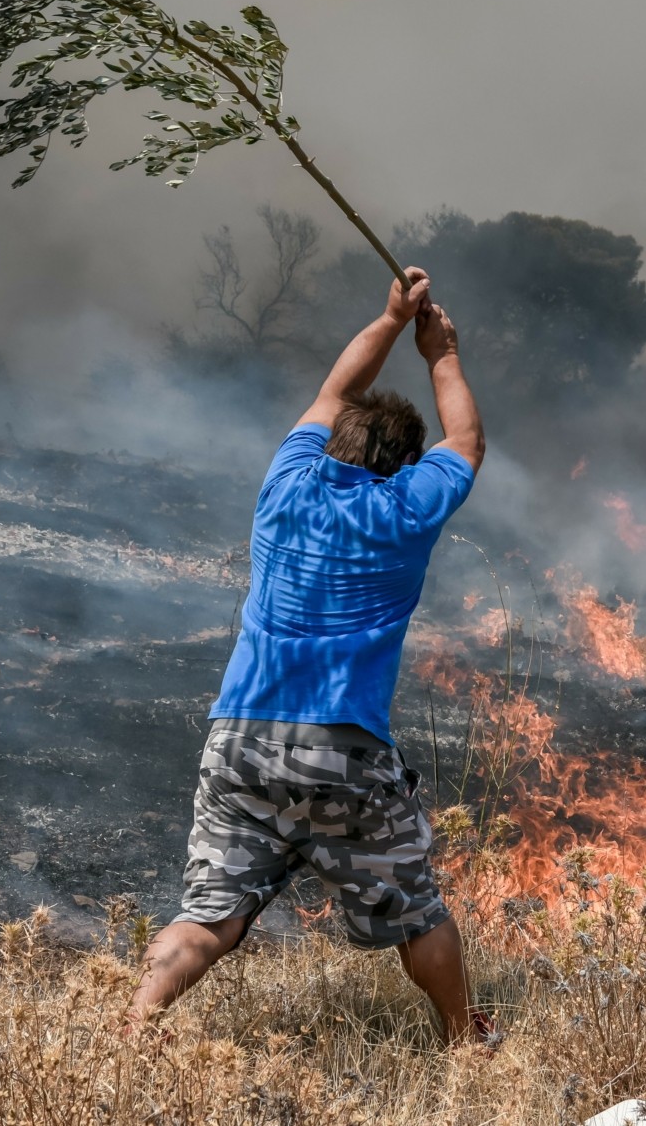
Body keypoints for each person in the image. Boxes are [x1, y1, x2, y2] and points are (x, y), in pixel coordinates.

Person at [125, 265, 489, 1042]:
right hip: (345, 749)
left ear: (332, 442)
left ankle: (130, 1031)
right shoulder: (406, 510)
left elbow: (332, 390)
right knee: (418, 911)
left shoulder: (285, 483)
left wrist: (392, 320)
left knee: (207, 918)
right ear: (402, 466)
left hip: (241, 737)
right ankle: (465, 1040)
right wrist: (444, 352)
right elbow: (465, 441)